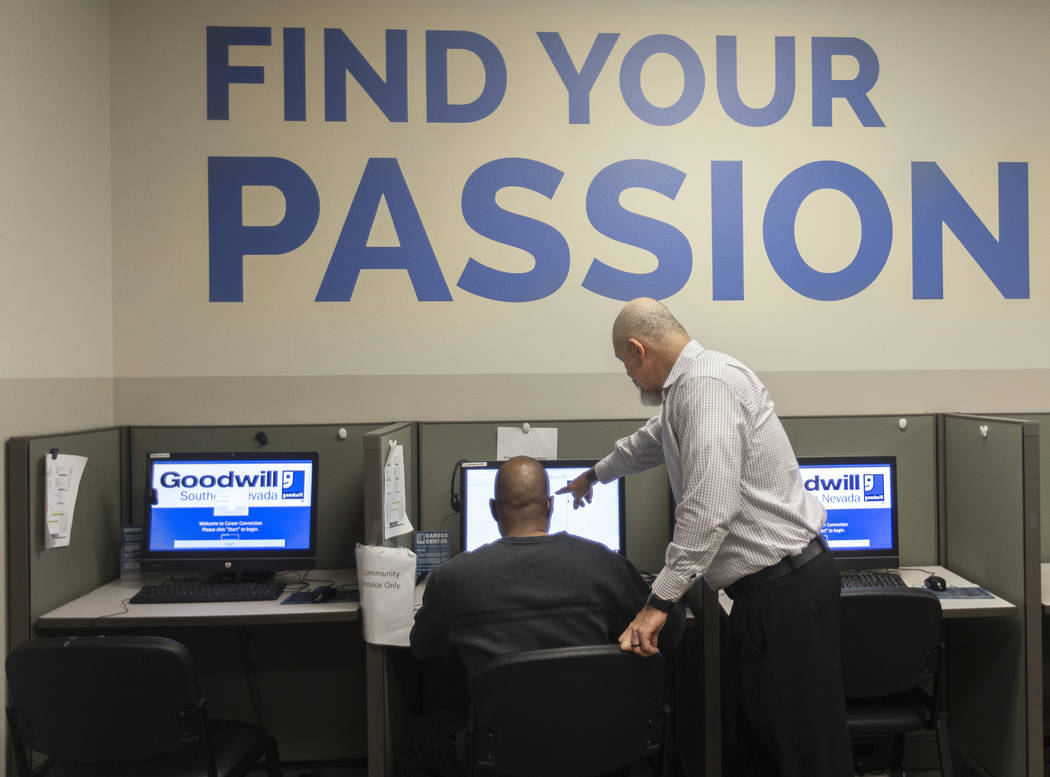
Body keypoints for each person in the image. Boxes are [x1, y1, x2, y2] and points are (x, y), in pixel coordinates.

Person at [557, 297, 852, 777]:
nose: (628, 377)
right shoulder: (691, 388)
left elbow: (709, 508)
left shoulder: (706, 387)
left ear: (638, 350)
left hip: (787, 591)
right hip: (773, 591)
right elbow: (653, 440)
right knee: (769, 737)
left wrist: (658, 604)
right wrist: (595, 474)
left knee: (804, 748)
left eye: (623, 364)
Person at [403, 454, 683, 777]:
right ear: (550, 505)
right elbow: (671, 631)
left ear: (493, 510)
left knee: (415, 740)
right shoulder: (605, 564)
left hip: (503, 756)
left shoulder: (451, 579)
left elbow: (422, 647)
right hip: (600, 751)